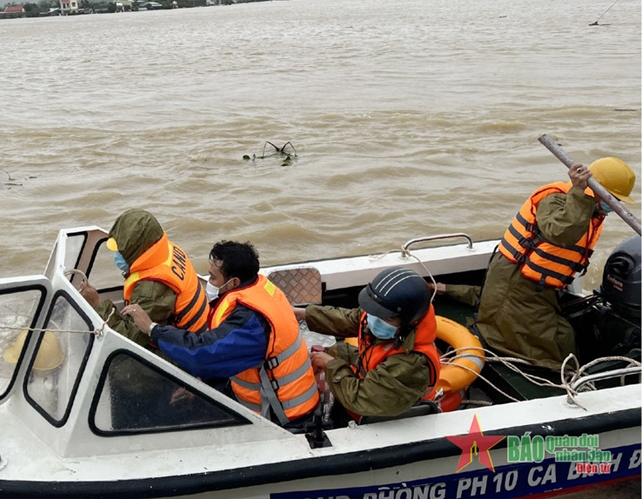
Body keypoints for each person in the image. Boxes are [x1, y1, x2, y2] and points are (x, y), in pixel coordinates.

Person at [441, 158, 636, 372]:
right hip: (517, 281)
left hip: (536, 287)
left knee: (567, 332)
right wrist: (580, 194)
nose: (614, 205)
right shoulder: (556, 199)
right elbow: (561, 232)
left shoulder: (588, 208)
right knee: (556, 349)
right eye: (612, 198)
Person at [122, 240, 319, 430]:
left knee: (168, 412)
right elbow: (224, 352)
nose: (209, 282)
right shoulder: (261, 289)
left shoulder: (251, 323)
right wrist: (202, 382)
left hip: (279, 416)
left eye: (213, 277)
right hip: (262, 392)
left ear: (233, 282)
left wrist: (152, 329)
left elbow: (202, 354)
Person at [295, 267, 440, 422]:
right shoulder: (383, 313)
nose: (374, 320)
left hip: (385, 411)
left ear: (409, 321)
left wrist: (330, 365)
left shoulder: (411, 364)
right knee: (339, 350)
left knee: (332, 361)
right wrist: (302, 314)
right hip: (372, 373)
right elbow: (351, 319)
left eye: (387, 319)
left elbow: (360, 398)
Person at [79, 209, 209, 349]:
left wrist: (97, 305)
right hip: (194, 335)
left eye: (120, 249)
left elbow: (127, 340)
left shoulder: (151, 290)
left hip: (186, 352)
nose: (116, 254)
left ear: (136, 248)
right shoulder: (165, 250)